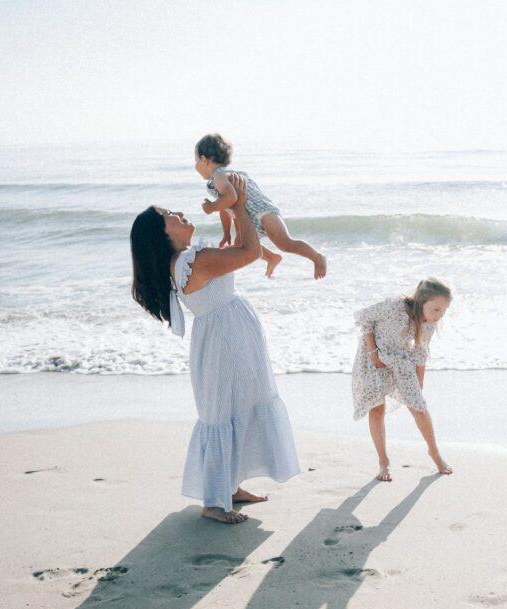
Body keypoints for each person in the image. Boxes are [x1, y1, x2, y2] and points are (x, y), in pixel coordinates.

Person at [129, 178, 301, 524]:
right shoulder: (194, 261)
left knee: (238, 405)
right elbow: (250, 253)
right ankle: (213, 502)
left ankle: (231, 487)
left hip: (229, 335)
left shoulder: (189, 259)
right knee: (223, 412)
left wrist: (236, 205)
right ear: (161, 234)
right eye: (169, 214)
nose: (178, 213)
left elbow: (240, 246)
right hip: (223, 340)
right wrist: (237, 203)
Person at [352, 278, 454, 481]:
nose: (439, 316)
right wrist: (373, 353)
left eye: (443, 311)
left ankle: (434, 453)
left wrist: (419, 382)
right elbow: (365, 319)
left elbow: (420, 351)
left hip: (401, 360)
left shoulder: (428, 324)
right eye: (436, 309)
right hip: (374, 358)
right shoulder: (394, 307)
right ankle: (383, 462)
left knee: (419, 407)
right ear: (422, 301)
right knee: (377, 408)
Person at [194, 133, 327, 280]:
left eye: (196, 162)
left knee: (285, 243)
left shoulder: (219, 176)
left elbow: (231, 198)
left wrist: (211, 207)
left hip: (264, 212)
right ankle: (271, 257)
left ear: (203, 159)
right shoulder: (223, 177)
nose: (195, 166)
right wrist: (226, 232)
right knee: (240, 244)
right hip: (250, 217)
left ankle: (317, 257)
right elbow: (225, 207)